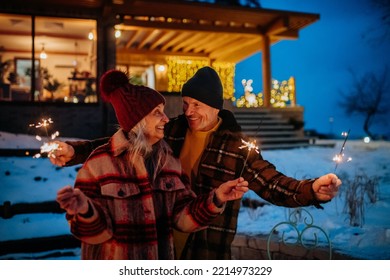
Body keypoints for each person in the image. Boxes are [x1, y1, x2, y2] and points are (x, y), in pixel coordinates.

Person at [50, 66, 342, 260]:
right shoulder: (170, 129)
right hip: (156, 243)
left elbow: (272, 183)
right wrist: (75, 152)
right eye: (186, 103)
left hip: (203, 248)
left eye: (197, 105)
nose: (188, 111)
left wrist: (311, 189)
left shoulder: (236, 147)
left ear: (215, 107)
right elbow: (123, 141)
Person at [55, 69, 249, 260]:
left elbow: (182, 218)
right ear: (137, 121)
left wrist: (216, 199)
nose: (166, 119)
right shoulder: (98, 165)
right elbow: (95, 235)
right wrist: (84, 210)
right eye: (157, 113)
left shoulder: (169, 162)